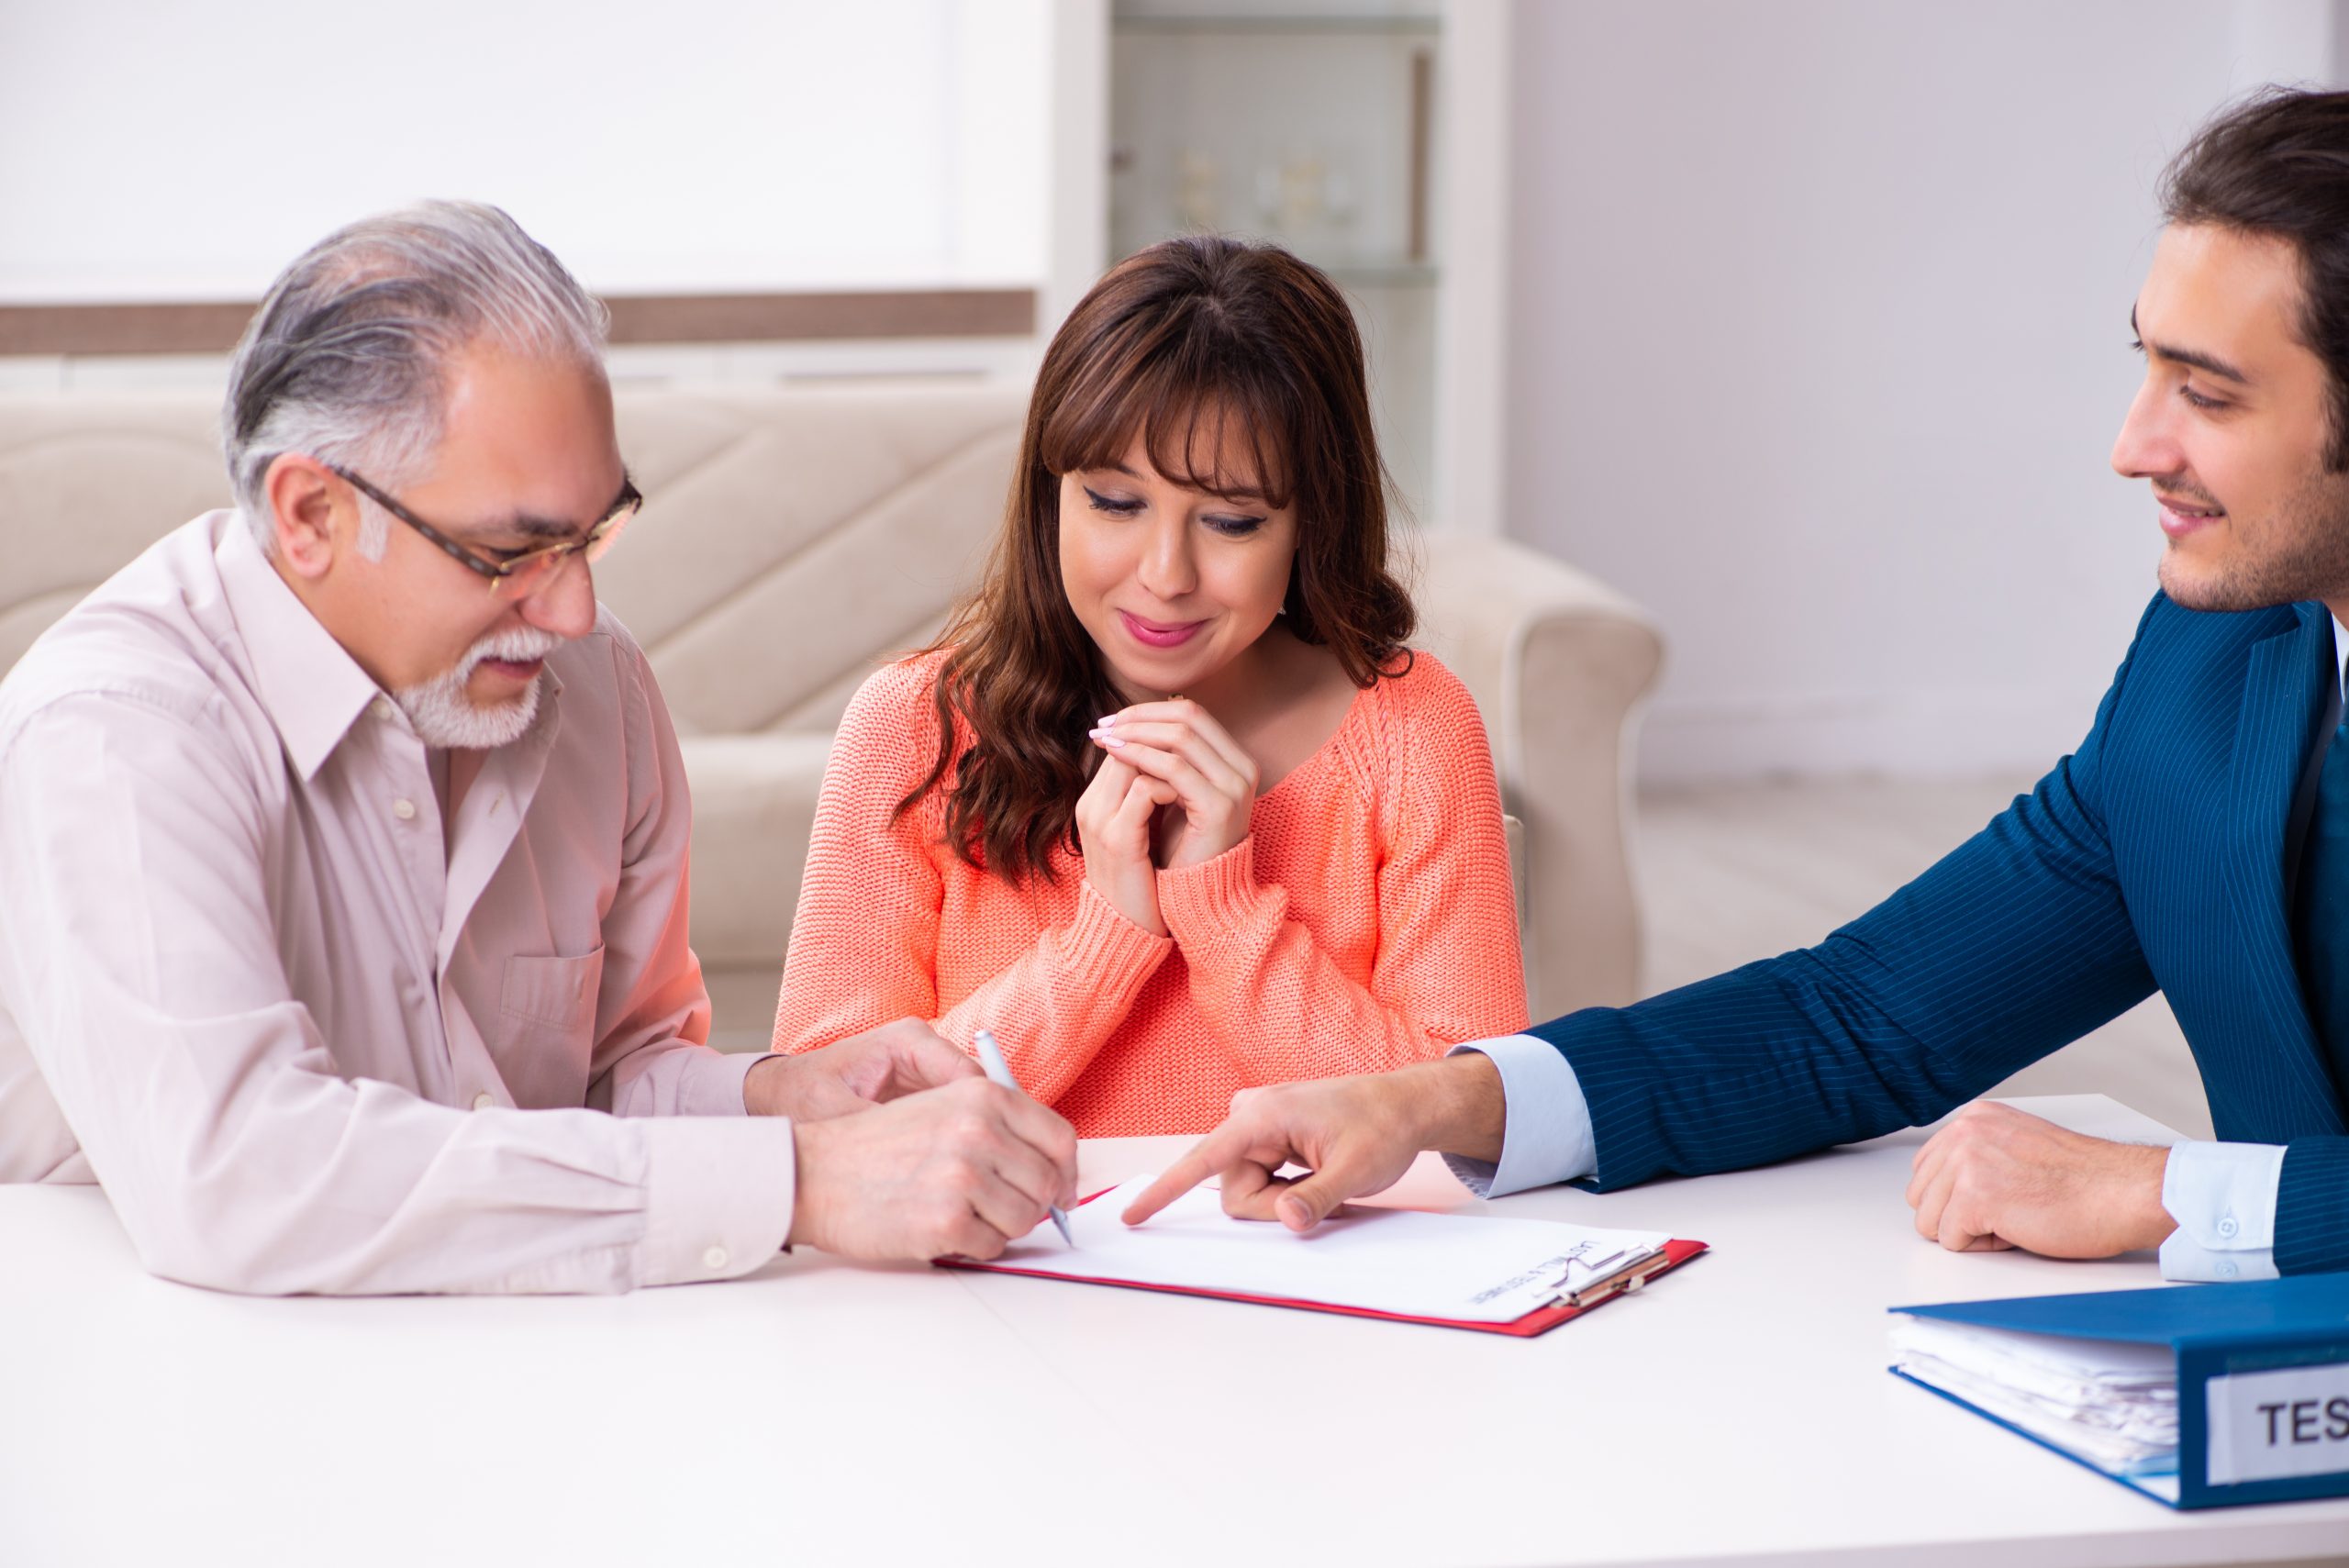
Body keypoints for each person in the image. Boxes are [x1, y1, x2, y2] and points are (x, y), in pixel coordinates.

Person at [1126, 88, 2349, 1281]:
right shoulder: (2216, 660)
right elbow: (1863, 1016)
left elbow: (2197, 1190)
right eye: (2147, 367)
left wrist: (2160, 1193)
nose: (2134, 445)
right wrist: (1442, 1098)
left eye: (2209, 393)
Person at [0, 202, 1078, 1295]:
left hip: (523, 1362)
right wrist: (793, 1177)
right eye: (510, 551)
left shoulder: (593, 685)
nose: (573, 610)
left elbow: (612, 1077)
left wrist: (778, 1100)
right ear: (310, 514)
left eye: (593, 532)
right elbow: (241, 1175)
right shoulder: (114, 733)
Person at [770, 237, 1528, 1135]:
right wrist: (1104, 936)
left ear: (1308, 523)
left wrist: (1223, 905)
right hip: (1008, 1274)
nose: (1165, 574)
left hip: (1308, 1264)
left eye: (1231, 520)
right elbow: (832, 1127)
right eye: (1115, 503)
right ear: (1052, 493)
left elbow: (1467, 1128)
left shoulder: (1412, 729)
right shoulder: (912, 725)